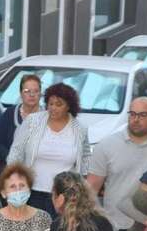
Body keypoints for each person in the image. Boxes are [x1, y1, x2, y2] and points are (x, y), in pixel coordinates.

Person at [87, 97, 147, 231]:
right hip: (116, 226)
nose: (136, 119)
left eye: (143, 115)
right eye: (132, 114)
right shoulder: (106, 145)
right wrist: (98, 220)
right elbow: (91, 189)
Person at [8, 82, 90, 217]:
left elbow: (86, 155)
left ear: (69, 106)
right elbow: (16, 151)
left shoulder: (80, 128)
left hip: (65, 195)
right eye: (50, 104)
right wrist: (14, 179)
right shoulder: (32, 121)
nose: (53, 108)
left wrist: (82, 179)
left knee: (61, 229)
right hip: (32, 192)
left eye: (59, 104)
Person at [0, 74, 43, 171]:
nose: (32, 95)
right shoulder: (10, 114)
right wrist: (11, 158)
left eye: (36, 91)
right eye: (27, 91)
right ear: (21, 93)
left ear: (40, 94)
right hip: (11, 170)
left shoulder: (47, 117)